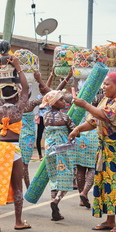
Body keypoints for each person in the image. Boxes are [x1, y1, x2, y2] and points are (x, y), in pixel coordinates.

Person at [69, 73, 116, 232]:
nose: (103, 87)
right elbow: (94, 120)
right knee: (107, 183)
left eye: (107, 84)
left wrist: (84, 104)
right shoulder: (106, 100)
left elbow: (106, 116)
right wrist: (77, 129)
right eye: (103, 84)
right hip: (108, 148)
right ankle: (110, 220)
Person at [0, 56, 32, 232]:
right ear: (17, 94)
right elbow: (26, 88)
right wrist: (18, 68)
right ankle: (18, 221)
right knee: (17, 186)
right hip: (12, 148)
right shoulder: (18, 109)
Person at [41, 89, 76, 221]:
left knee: (54, 177)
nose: (63, 102)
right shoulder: (65, 117)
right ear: (54, 103)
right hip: (63, 150)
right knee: (67, 177)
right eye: (61, 100)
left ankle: (54, 208)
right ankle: (56, 201)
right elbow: (75, 130)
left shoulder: (45, 116)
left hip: (49, 150)